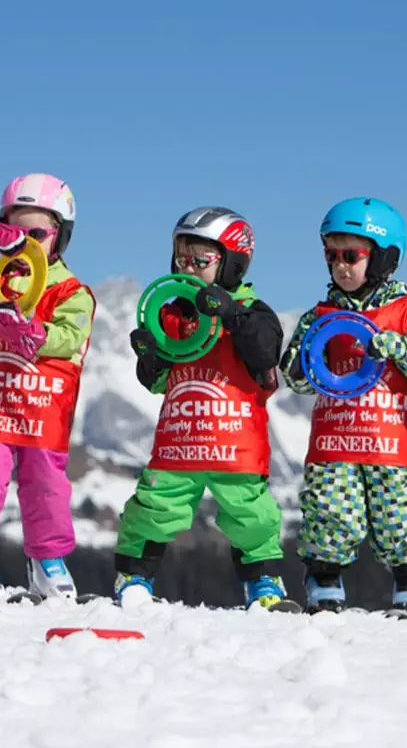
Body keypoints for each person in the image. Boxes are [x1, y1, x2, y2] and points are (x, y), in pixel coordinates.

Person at [117, 207, 298, 611]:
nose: (189, 268)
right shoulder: (172, 315)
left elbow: (265, 351)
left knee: (254, 516)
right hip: (178, 445)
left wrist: (230, 312)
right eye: (182, 258)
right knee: (152, 509)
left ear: (233, 263)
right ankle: (133, 578)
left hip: (235, 449)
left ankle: (264, 585)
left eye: (201, 261)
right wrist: (150, 356)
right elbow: (157, 382)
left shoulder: (254, 313)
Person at [279, 198, 407, 616]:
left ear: (384, 257)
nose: (340, 265)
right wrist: (302, 360)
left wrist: (395, 346)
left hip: (391, 442)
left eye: (351, 255)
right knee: (329, 511)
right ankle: (324, 579)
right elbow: (295, 378)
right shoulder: (320, 315)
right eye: (331, 255)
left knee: (399, 516)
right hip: (335, 441)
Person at [0, 173, 95, 601]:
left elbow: (74, 334)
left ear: (59, 236)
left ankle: (48, 561)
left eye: (36, 233)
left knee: (46, 483)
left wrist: (41, 335)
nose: (25, 241)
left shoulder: (71, 291)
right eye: (14, 231)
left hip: (43, 409)